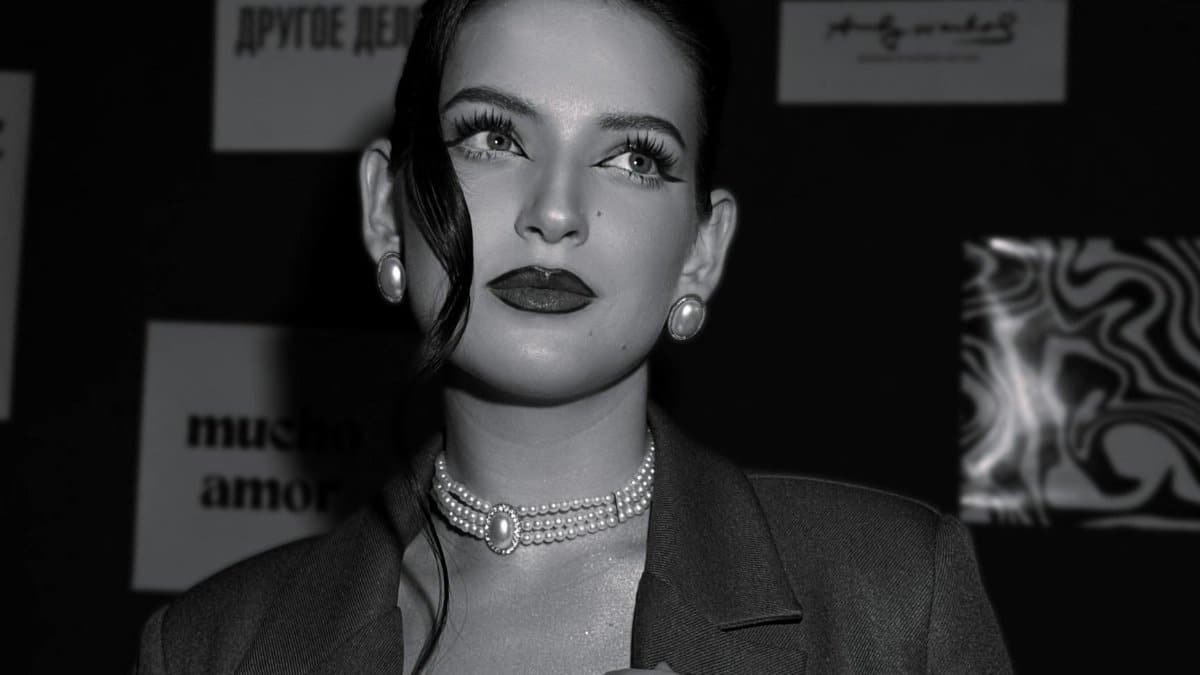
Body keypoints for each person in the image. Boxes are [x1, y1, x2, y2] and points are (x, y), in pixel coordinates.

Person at [135, 0, 1012, 672]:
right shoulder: (210, 648)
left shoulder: (894, 599)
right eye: (493, 137)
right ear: (384, 210)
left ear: (701, 252)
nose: (555, 211)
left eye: (634, 158)